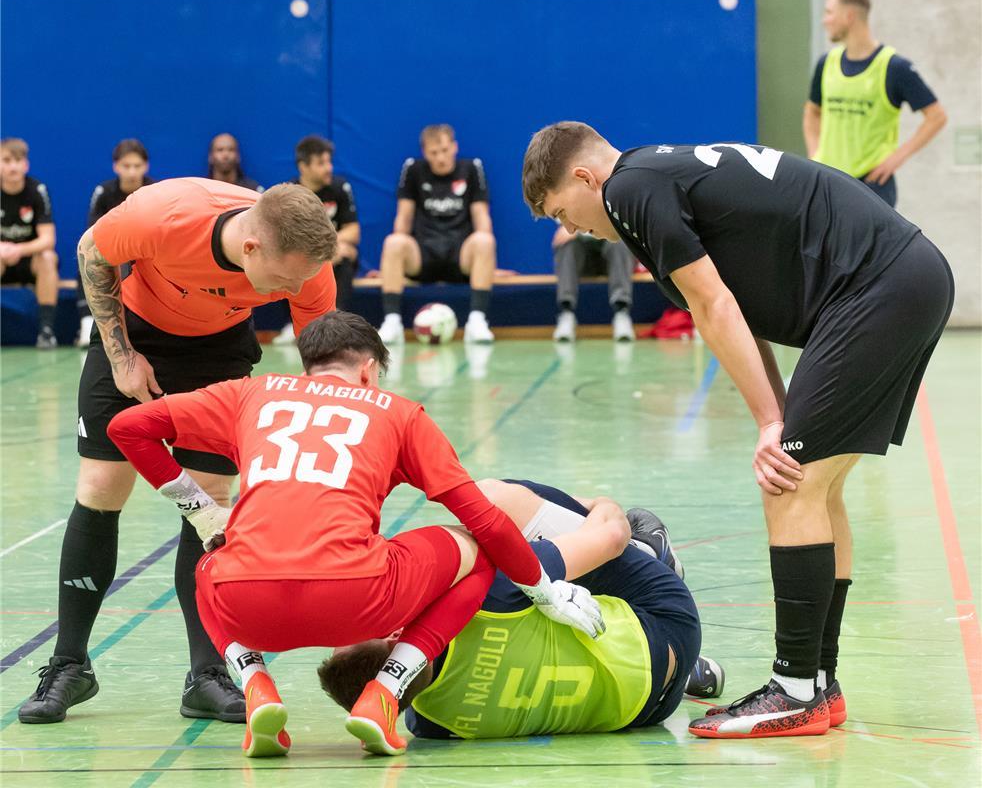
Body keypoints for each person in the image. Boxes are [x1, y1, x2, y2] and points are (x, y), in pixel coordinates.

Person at [522, 122, 954, 738]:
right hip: (902, 277)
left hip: (878, 284)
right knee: (815, 486)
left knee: (789, 483)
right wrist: (777, 416)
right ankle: (818, 685)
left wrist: (771, 423)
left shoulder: (630, 190)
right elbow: (735, 311)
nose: (573, 230)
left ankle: (794, 689)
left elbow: (714, 306)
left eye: (565, 212)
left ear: (587, 178)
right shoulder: (652, 177)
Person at [106, 311, 605, 757]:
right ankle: (384, 694)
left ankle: (255, 682)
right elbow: (485, 519)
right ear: (369, 370)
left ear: (308, 365)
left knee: (207, 566)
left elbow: (128, 428)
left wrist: (204, 514)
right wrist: (545, 591)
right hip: (357, 598)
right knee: (477, 549)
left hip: (248, 608)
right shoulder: (397, 411)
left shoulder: (249, 393)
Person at [18, 179, 338, 726]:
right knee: (100, 489)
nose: (296, 289)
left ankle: (206, 675)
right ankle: (69, 664)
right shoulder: (164, 215)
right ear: (251, 249)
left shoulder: (307, 266)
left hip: (219, 350)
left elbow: (321, 364)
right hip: (135, 331)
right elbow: (91, 252)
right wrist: (121, 357)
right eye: (287, 280)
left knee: (209, 499)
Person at [321, 478, 725, 742]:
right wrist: (601, 504)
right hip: (666, 619)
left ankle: (690, 671)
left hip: (647, 709)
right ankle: (653, 552)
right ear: (394, 636)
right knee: (491, 504)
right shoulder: (483, 596)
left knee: (546, 619)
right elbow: (611, 537)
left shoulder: (430, 722)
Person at [803, 0, 947, 208]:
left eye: (829, 12)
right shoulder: (827, 63)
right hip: (828, 181)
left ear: (849, 16)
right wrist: (815, 155)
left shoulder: (894, 67)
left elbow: (937, 117)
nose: (824, 20)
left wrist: (895, 159)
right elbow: (812, 113)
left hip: (872, 186)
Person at [377, 125, 495, 345]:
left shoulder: (472, 168)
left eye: (444, 149)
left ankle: (477, 321)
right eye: (434, 152)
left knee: (485, 240)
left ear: (454, 147)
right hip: (424, 254)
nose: (440, 157)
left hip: (460, 256)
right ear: (425, 152)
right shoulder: (413, 169)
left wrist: (488, 262)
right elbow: (403, 218)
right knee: (393, 242)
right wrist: (392, 265)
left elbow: (482, 217)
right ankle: (392, 322)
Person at [273, 135, 360, 344]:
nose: (329, 168)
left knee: (346, 253)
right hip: (304, 255)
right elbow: (282, 236)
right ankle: (293, 323)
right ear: (303, 166)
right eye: (321, 163)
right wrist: (322, 248)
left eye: (329, 162)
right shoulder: (289, 193)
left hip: (335, 254)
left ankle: (336, 320)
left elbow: (353, 231)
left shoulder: (340, 188)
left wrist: (331, 247)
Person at [78, 139, 154, 347]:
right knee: (86, 257)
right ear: (116, 166)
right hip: (114, 251)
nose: (131, 172)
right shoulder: (103, 192)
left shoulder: (154, 191)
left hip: (146, 255)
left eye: (137, 166)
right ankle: (88, 321)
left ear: (145, 166)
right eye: (126, 166)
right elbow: (92, 232)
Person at [0, 138, 60, 348]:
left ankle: (46, 331)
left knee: (47, 257)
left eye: (18, 160)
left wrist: (18, 249)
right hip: (2, 262)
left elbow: (48, 239)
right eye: (6, 160)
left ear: (26, 164)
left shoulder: (37, 191)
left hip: (28, 261)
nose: (12, 166)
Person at [551, 226, 635, 342]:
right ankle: (566, 313)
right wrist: (572, 231)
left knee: (620, 239)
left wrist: (578, 231)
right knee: (566, 242)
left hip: (610, 257)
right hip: (584, 262)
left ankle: (621, 313)